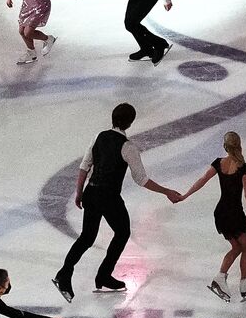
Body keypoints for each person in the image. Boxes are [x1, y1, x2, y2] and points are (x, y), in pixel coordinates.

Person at [52, 103, 182, 301]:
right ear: (130, 122)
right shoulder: (128, 147)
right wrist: (166, 192)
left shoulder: (99, 137)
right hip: (108, 197)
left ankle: (65, 274)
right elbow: (141, 179)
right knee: (122, 232)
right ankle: (102, 275)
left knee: (87, 237)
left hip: (91, 192)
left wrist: (79, 192)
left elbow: (84, 166)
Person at [177, 131, 246, 302]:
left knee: (238, 247)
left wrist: (185, 195)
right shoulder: (244, 168)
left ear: (225, 147)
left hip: (221, 212)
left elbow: (202, 180)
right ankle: (244, 283)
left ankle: (220, 278)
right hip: (234, 212)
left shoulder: (219, 163)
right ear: (239, 145)